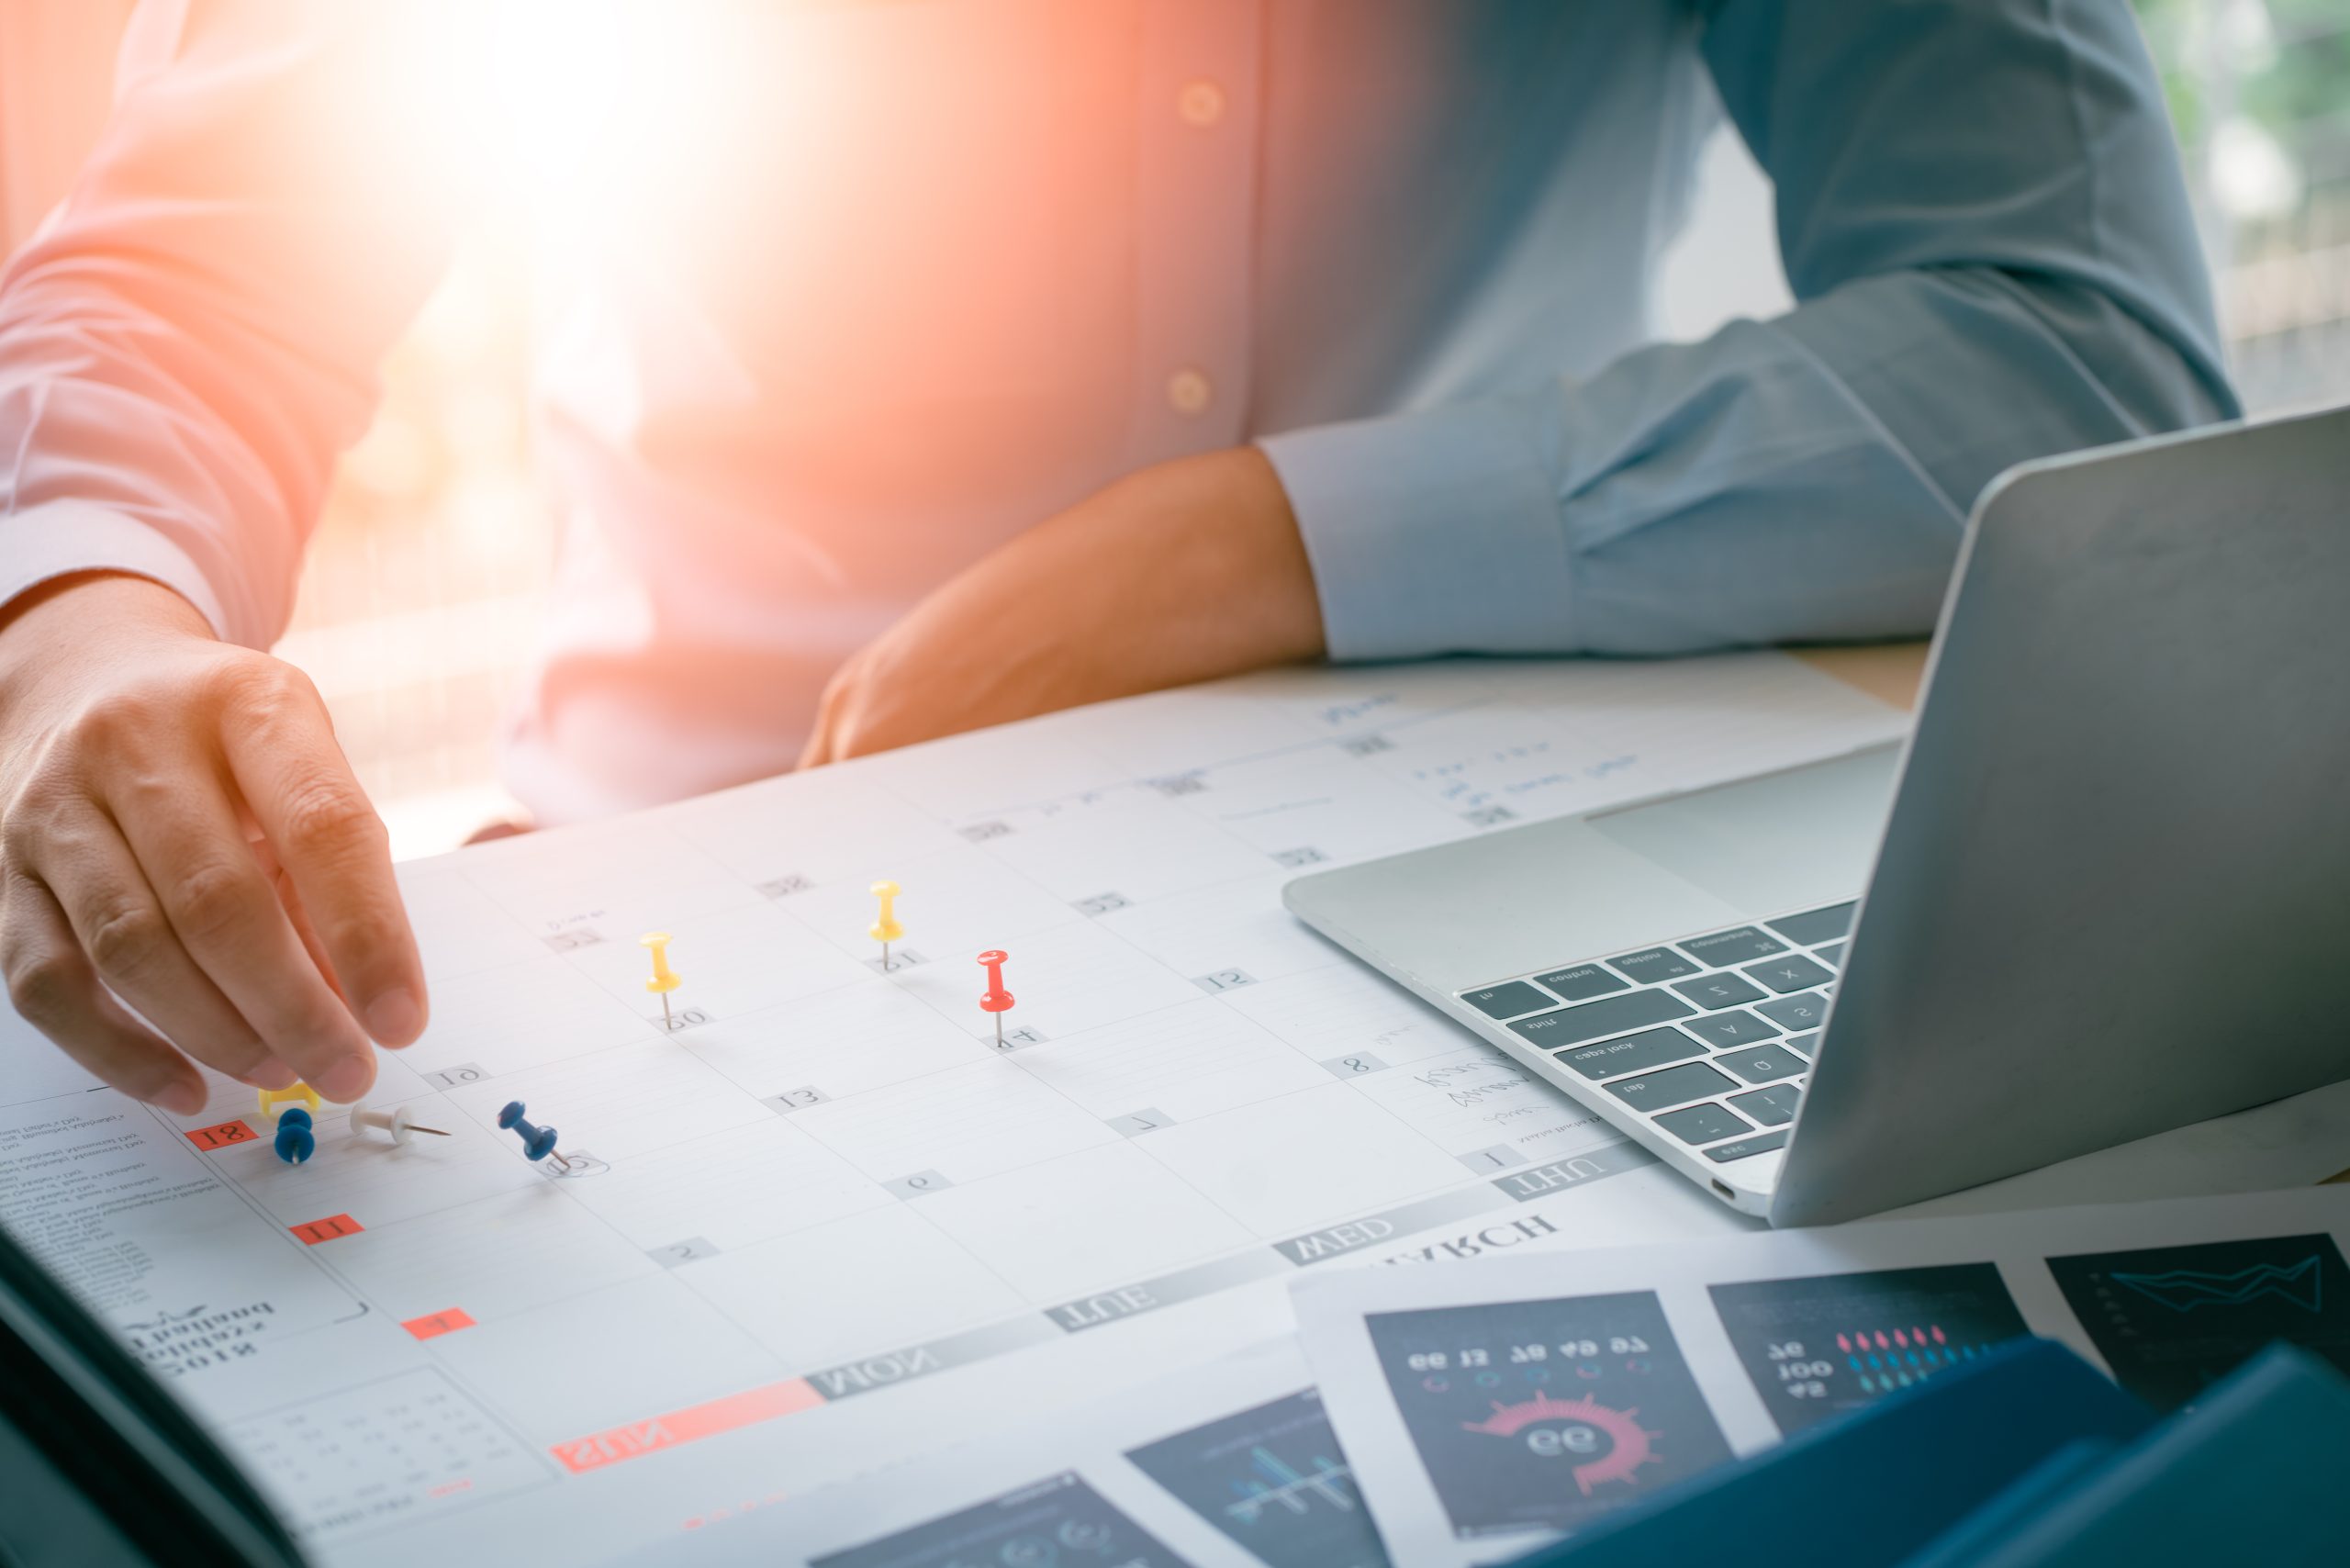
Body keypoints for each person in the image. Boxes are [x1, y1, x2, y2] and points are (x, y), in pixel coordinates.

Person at [0, 0, 2233, 1115]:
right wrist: (75, 628)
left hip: (1497, 932)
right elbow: (186, 282)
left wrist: (1250, 542)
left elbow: (2079, 348)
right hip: (672, 904)